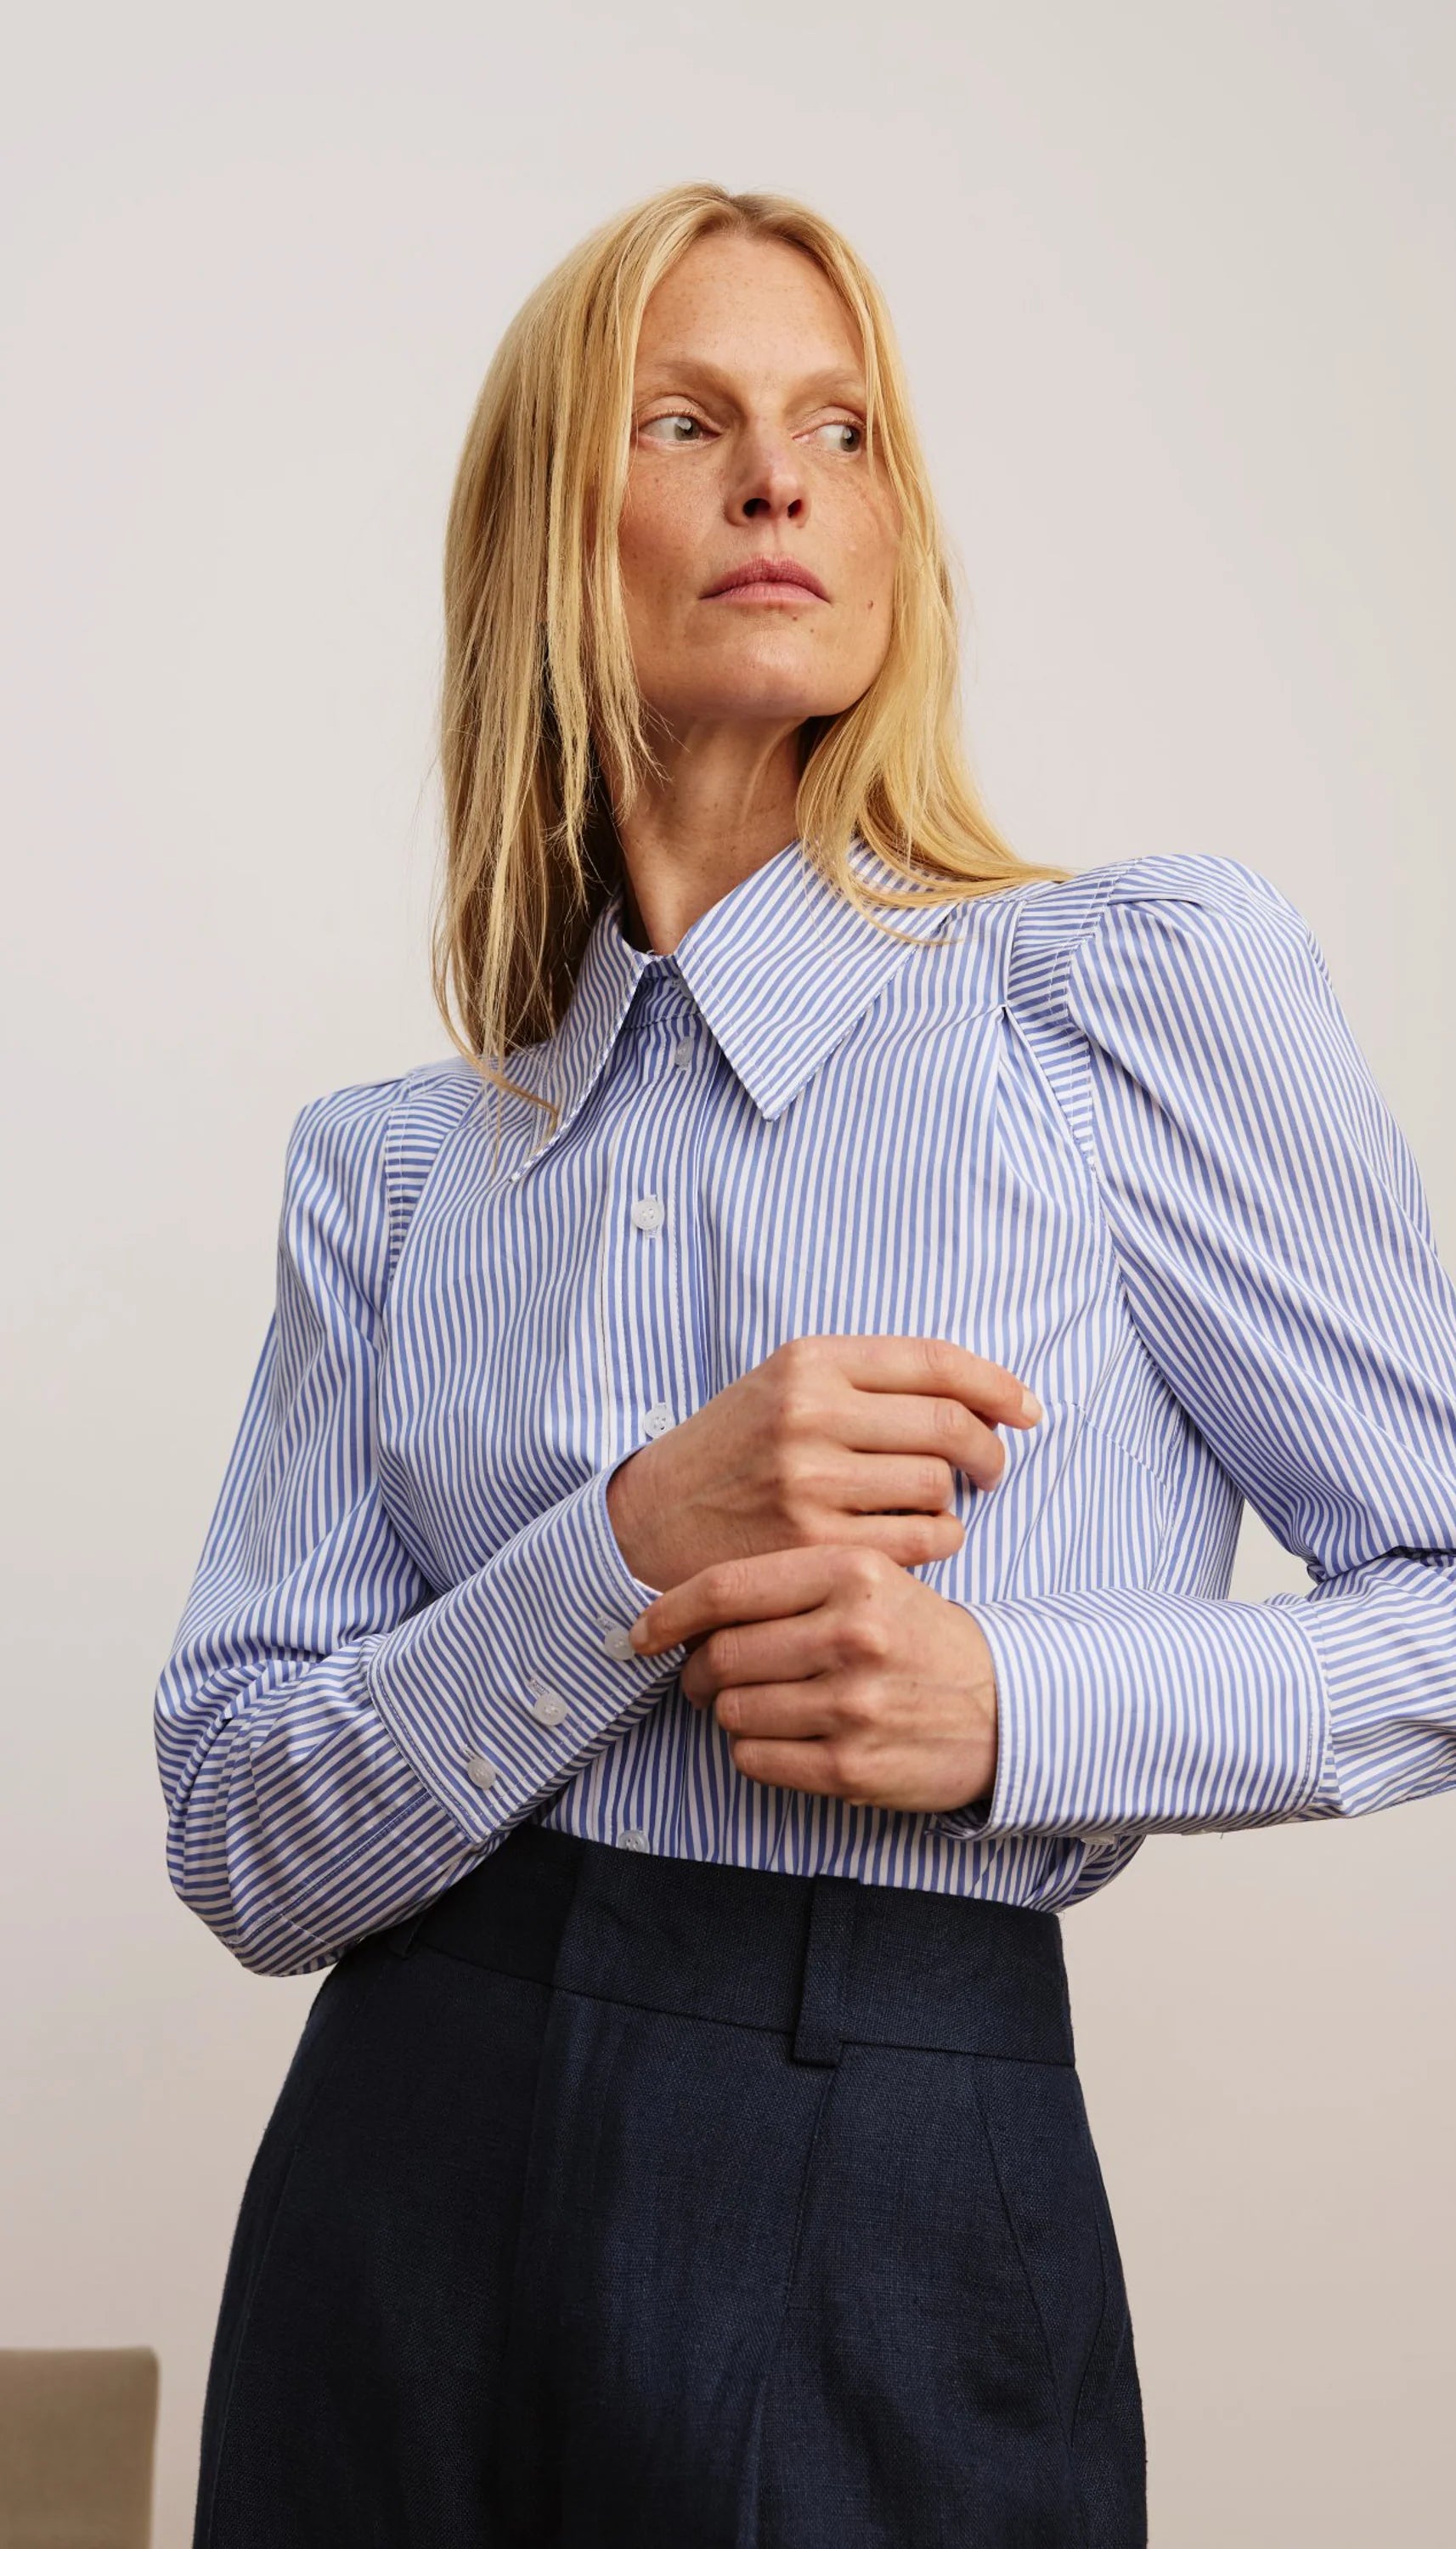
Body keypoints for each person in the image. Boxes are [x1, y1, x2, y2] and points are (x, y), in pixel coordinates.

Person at [155, 181, 1456, 2549]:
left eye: (841, 428)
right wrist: (623, 1551)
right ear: (546, 540)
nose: (781, 479)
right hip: (396, 2179)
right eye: (686, 422)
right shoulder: (396, 1172)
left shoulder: (1124, 1000)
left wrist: (1016, 1708)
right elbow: (242, 1834)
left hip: (891, 2175)